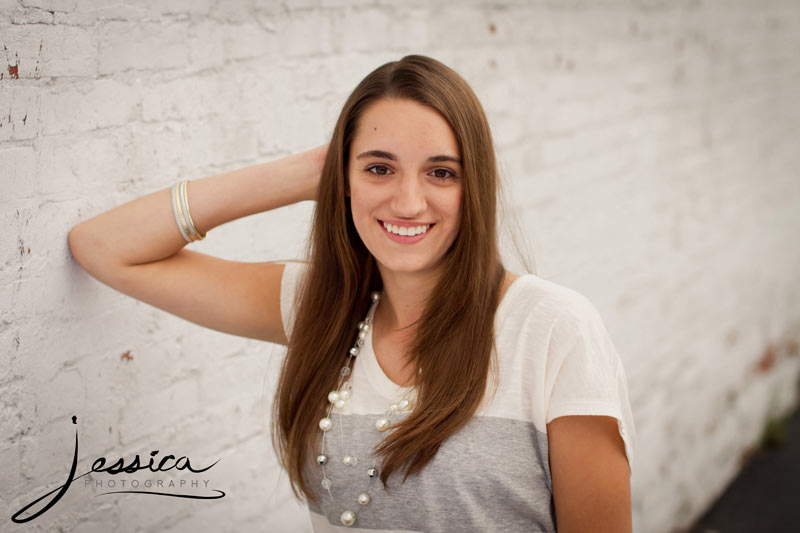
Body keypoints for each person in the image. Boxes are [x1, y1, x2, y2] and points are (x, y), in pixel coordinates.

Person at [68, 55, 635, 532]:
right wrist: (306, 172)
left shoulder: (551, 328)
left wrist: (363, 165)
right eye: (379, 169)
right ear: (341, 178)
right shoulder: (321, 308)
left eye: (441, 173)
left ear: (475, 186)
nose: (409, 203)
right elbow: (104, 247)